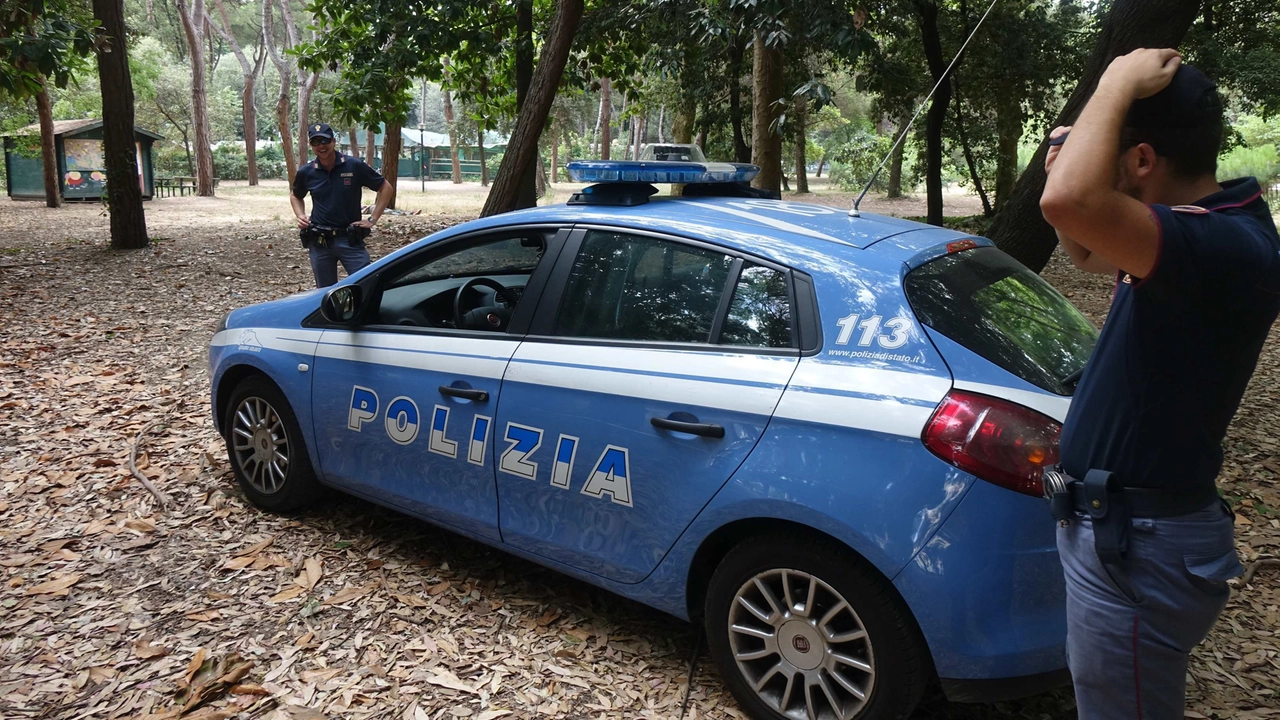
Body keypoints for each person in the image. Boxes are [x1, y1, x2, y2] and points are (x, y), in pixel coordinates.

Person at [1040, 50, 1280, 719]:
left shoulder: (1220, 248)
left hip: (1137, 545)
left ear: (1142, 161)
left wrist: (1113, 82)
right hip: (1128, 535)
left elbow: (1068, 204)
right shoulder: (1202, 226)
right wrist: (1087, 150)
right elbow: (1083, 242)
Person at [290, 123, 396, 288]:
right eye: (315, 142)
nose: (321, 146)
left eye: (325, 141)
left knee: (367, 285)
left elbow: (385, 188)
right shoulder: (306, 172)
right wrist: (300, 215)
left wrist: (372, 219)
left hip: (349, 239)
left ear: (333, 141)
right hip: (320, 242)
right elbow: (296, 196)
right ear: (311, 145)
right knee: (325, 293)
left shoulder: (354, 165)